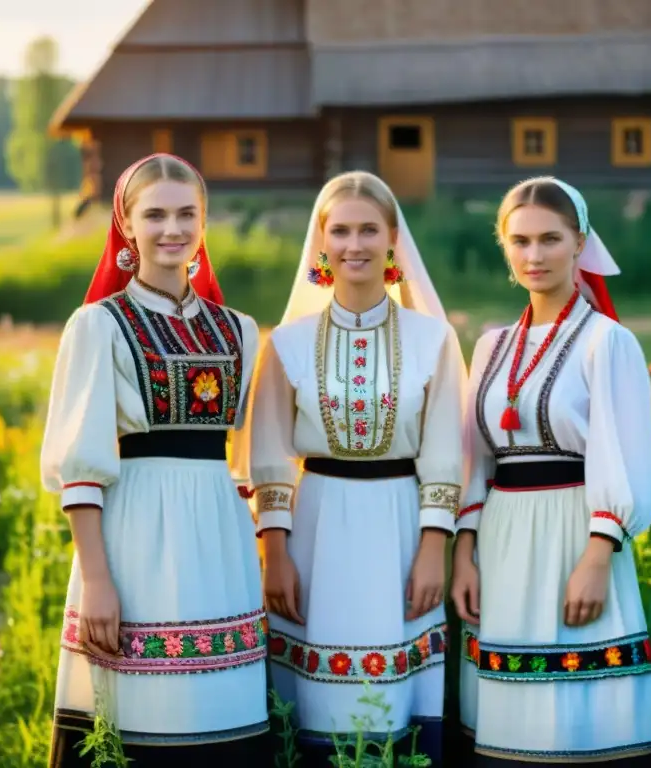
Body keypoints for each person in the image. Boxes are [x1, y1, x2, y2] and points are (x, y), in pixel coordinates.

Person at [40, 153, 269, 767]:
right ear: (127, 223)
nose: (173, 229)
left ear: (204, 221)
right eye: (156, 214)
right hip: (135, 534)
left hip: (218, 537)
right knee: (135, 714)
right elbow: (81, 463)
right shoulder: (99, 325)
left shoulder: (239, 330)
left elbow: (249, 452)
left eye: (187, 213)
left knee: (217, 714)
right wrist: (95, 580)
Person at [245, 171, 467, 766]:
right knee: (316, 696)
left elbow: (445, 451)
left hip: (399, 525)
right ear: (321, 241)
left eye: (369, 229)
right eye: (340, 230)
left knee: (394, 694)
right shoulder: (286, 343)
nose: (355, 244)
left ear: (394, 238)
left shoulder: (434, 339)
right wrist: (276, 554)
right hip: (316, 530)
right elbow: (268, 457)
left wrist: (432, 549)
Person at [451, 177, 651, 766]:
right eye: (520, 241)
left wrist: (598, 557)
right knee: (510, 726)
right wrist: (464, 550)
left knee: (580, 718)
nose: (534, 255)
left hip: (577, 535)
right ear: (505, 248)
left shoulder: (607, 342)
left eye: (550, 239)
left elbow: (624, 456)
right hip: (502, 540)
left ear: (580, 243)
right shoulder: (490, 347)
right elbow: (477, 458)